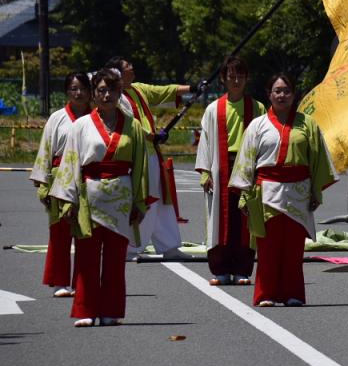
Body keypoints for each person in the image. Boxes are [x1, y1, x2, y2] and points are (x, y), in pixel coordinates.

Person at [48, 68, 148, 327]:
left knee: (115, 259)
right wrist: (68, 200)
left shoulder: (133, 126)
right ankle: (85, 310)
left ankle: (111, 310)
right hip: (88, 198)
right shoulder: (80, 125)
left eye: (111, 90)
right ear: (94, 94)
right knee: (86, 257)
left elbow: (140, 166)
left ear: (119, 93)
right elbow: (71, 163)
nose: (106, 95)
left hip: (121, 198)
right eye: (101, 90)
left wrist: (139, 201)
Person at [229, 73, 338, 307]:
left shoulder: (308, 124)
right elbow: (246, 161)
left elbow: (318, 160)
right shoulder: (257, 125)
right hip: (266, 191)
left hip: (299, 190)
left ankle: (294, 294)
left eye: (286, 90)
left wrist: (316, 193)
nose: (282, 95)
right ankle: (265, 294)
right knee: (267, 248)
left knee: (294, 248)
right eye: (277, 90)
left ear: (294, 94)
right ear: (269, 94)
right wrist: (246, 195)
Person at [106, 56, 196, 258]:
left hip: (152, 153)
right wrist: (153, 135)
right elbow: (128, 125)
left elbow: (163, 91)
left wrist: (192, 87)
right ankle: (132, 246)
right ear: (118, 73)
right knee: (143, 198)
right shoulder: (115, 98)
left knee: (160, 199)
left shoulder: (138, 89)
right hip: (134, 155)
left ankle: (169, 245)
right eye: (128, 66)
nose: (133, 68)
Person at [195, 56, 265, 285]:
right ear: (223, 79)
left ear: (246, 79)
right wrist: (205, 171)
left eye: (240, 76)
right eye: (231, 76)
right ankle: (220, 269)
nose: (236, 80)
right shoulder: (214, 109)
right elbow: (205, 141)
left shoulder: (257, 107)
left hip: (247, 166)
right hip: (221, 166)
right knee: (220, 220)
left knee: (245, 220)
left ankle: (243, 270)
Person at [30, 72, 91, 297]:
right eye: (74, 88)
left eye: (83, 88)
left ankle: (83, 282)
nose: (79, 93)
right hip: (59, 181)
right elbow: (45, 150)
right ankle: (59, 282)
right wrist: (43, 184)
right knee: (60, 233)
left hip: (87, 180)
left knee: (86, 233)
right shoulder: (57, 118)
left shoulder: (97, 117)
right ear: (67, 92)